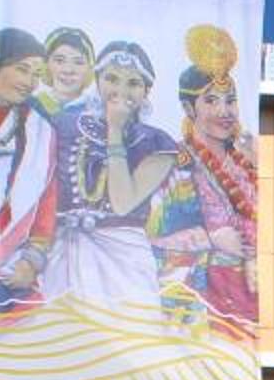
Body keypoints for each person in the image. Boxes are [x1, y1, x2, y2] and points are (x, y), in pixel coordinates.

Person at [38, 40, 178, 312]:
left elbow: (122, 202)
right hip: (65, 251)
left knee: (129, 331)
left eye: (133, 83)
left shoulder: (157, 143)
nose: (120, 90)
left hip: (124, 258)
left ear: (146, 91)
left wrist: (115, 130)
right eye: (112, 79)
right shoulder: (62, 125)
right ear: (97, 80)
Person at [148, 26, 260, 341]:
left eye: (230, 100)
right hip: (198, 296)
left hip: (249, 293)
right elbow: (154, 231)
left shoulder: (246, 160)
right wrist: (211, 239)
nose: (224, 111)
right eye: (211, 100)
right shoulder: (175, 161)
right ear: (188, 108)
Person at [0, 29, 56, 314]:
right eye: (22, 69)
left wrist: (31, 261)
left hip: (7, 276)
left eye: (37, 74)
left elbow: (46, 209)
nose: (29, 82)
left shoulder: (40, 133)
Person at [34, 27, 95, 122]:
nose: (68, 70)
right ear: (45, 65)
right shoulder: (32, 106)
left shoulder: (97, 110)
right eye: (59, 60)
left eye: (78, 62)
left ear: (90, 69)